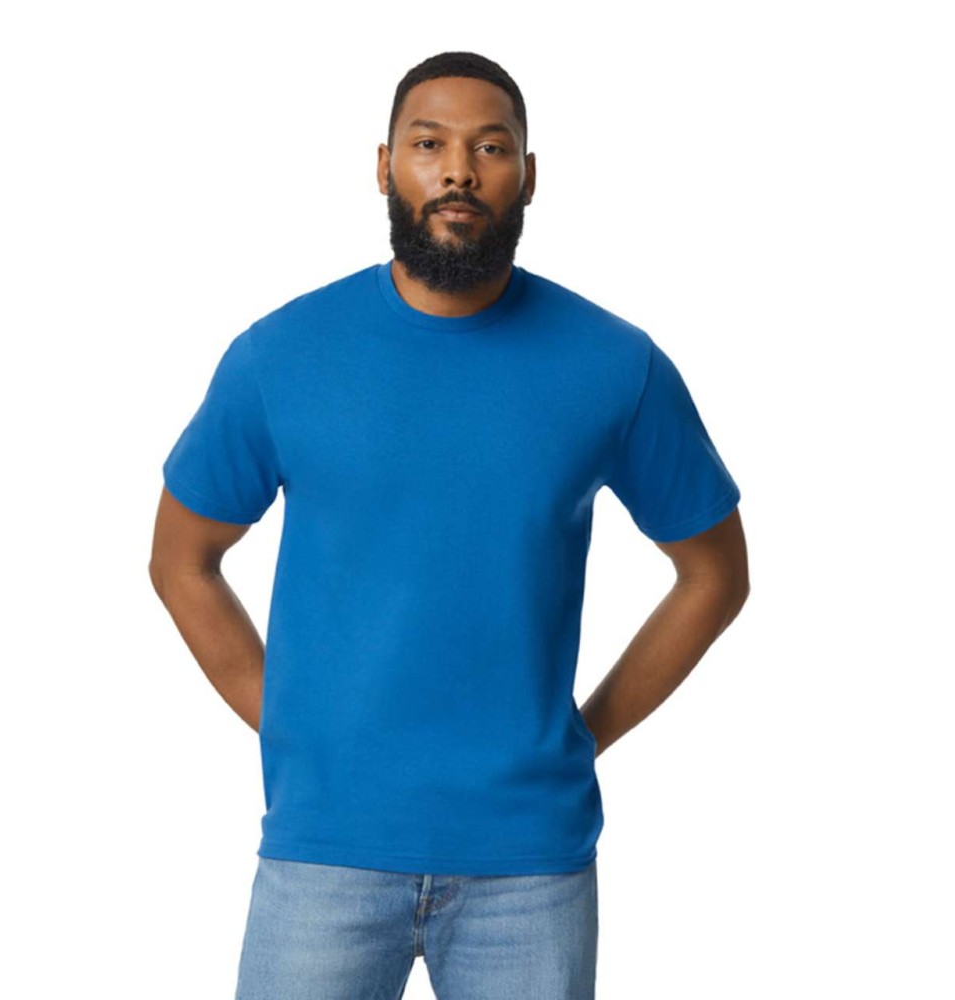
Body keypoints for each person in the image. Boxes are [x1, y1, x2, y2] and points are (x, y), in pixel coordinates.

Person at [149, 50, 749, 1000]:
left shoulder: (614, 365)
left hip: (530, 868)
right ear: (384, 166)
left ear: (529, 175)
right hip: (324, 853)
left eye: (490, 147)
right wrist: (294, 724)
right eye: (429, 144)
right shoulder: (281, 356)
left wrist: (581, 736)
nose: (458, 170)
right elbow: (182, 560)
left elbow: (715, 574)